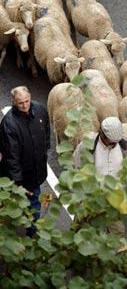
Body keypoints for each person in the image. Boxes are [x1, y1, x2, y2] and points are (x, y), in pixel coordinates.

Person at [0, 86, 50, 236]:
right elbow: (11, 156)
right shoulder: (9, 123)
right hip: (23, 174)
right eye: (20, 102)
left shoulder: (40, 110)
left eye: (27, 101)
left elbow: (46, 129)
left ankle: (30, 228)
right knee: (31, 201)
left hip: (37, 169)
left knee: (33, 201)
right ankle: (29, 230)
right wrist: (18, 181)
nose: (25, 105)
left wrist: (45, 148)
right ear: (14, 102)